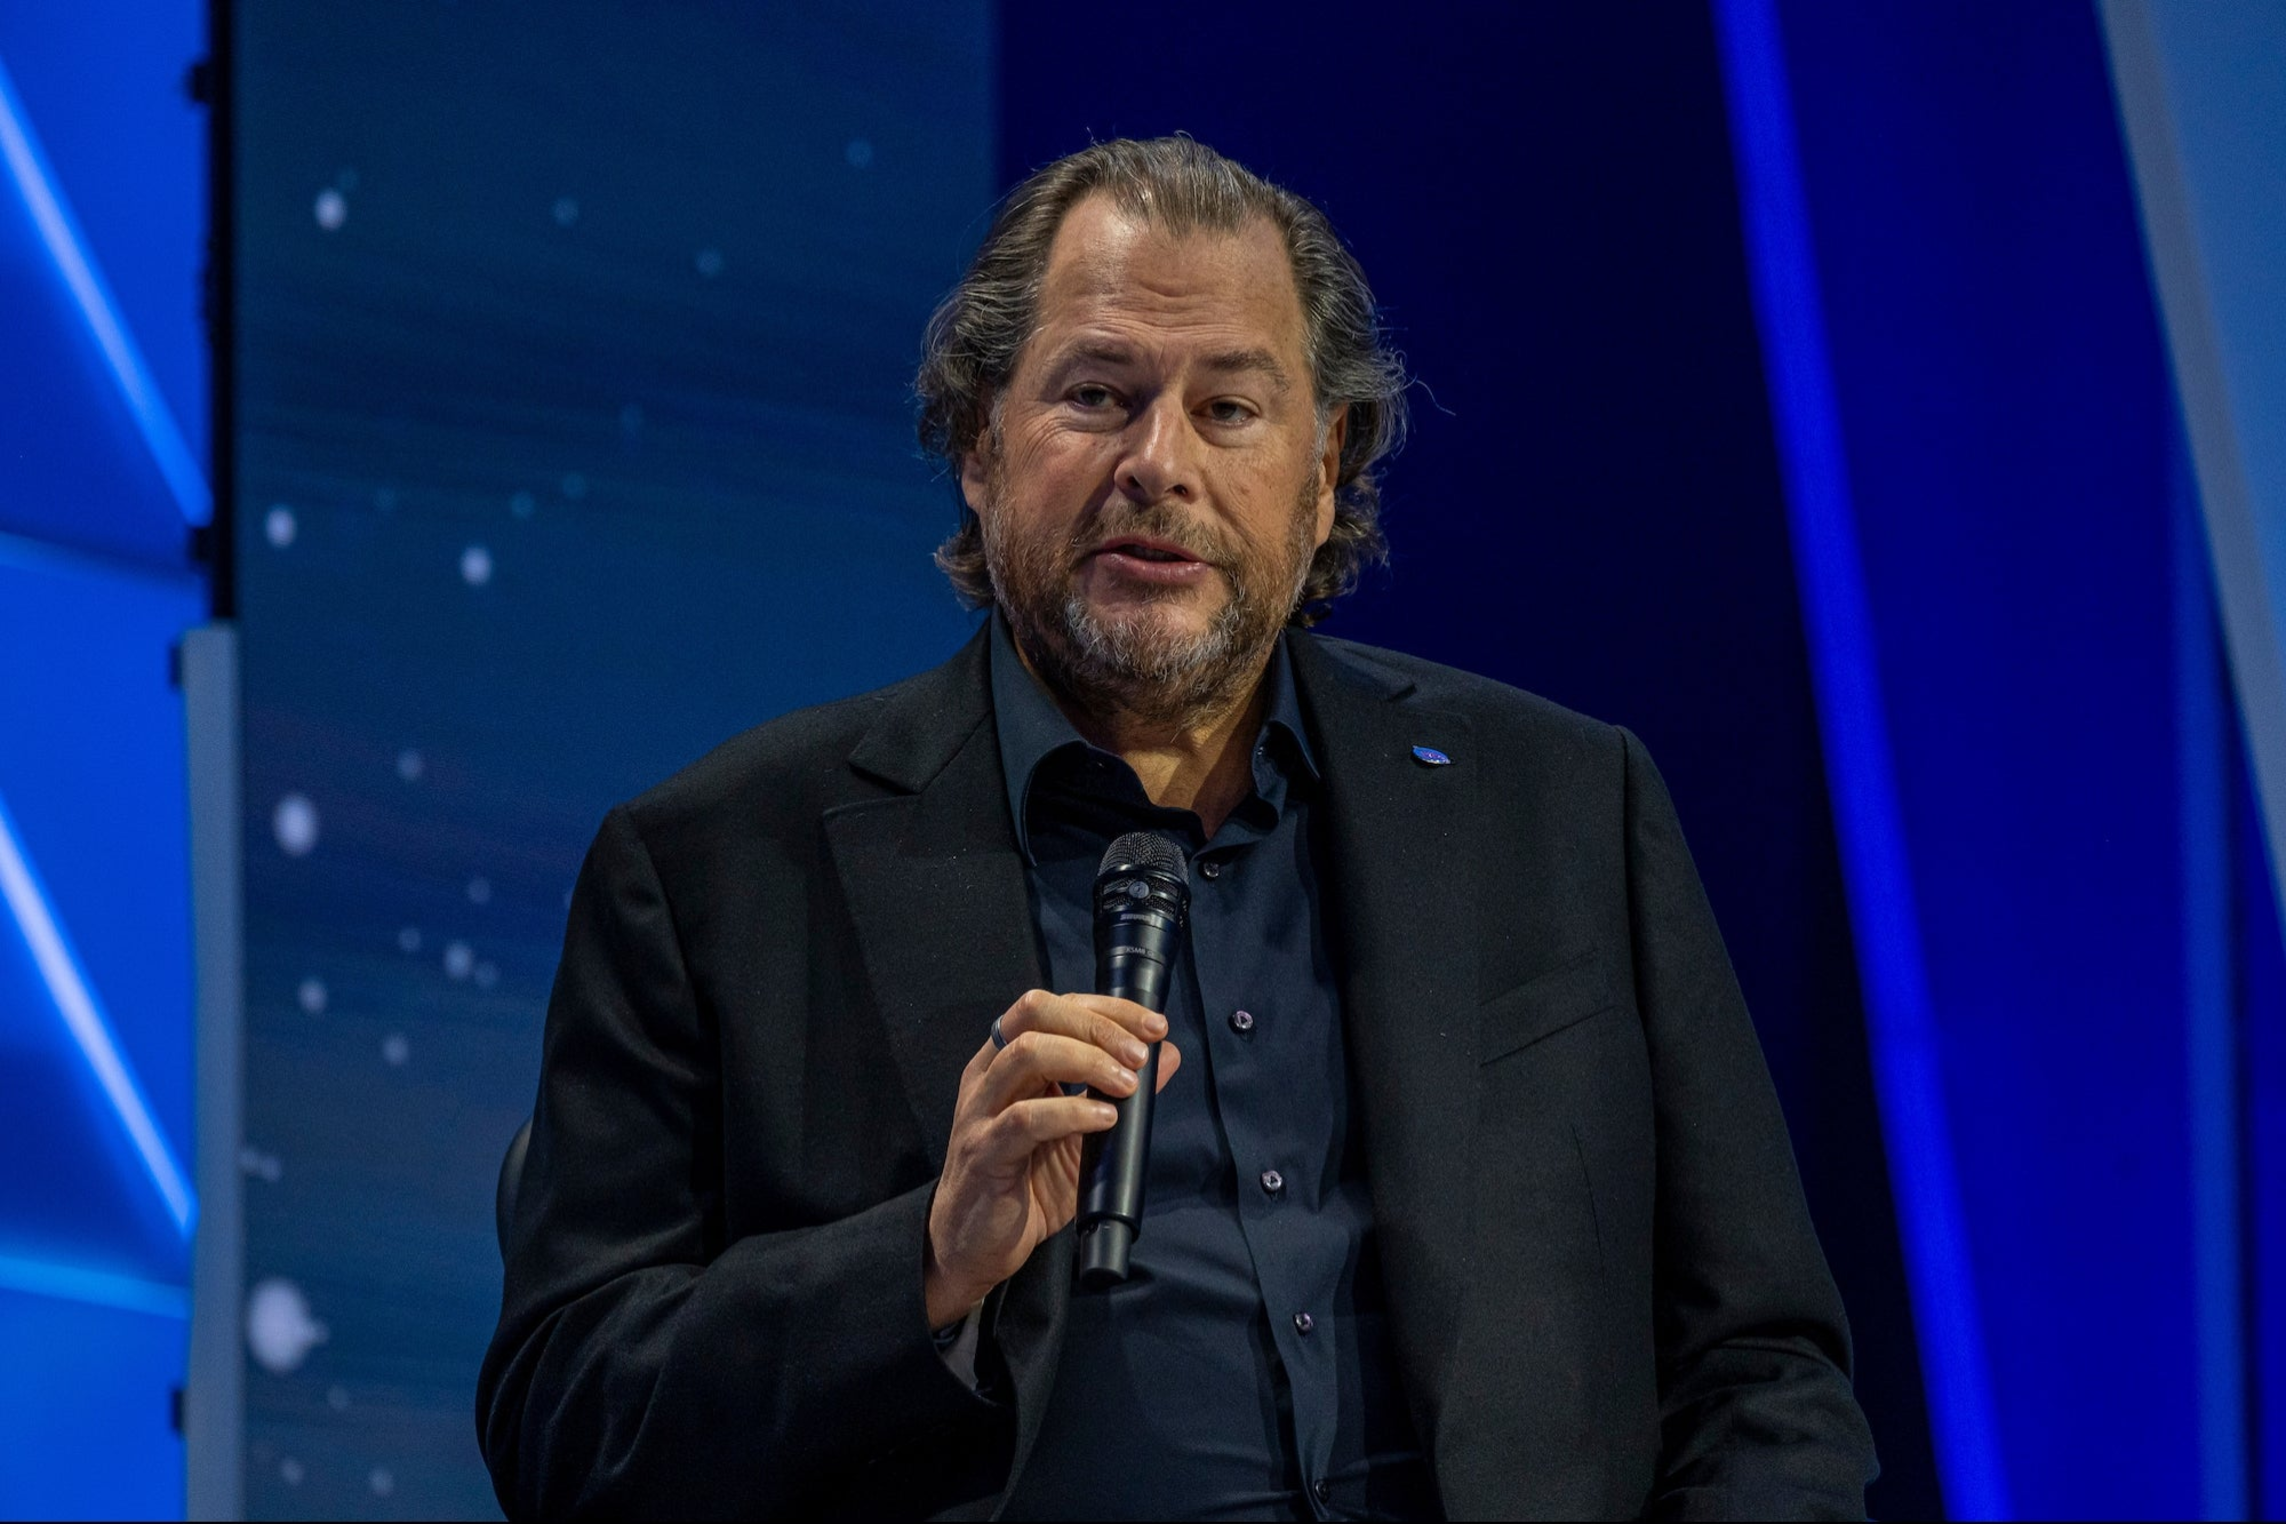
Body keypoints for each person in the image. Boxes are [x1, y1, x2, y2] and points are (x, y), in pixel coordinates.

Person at [477, 136, 1877, 1520]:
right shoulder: (718, 869)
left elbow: (1759, 1367)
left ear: (1323, 470)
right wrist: (926, 1262)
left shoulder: (1561, 804)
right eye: (1096, 395)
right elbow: (567, 1420)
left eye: (1229, 409)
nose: (1158, 463)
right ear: (978, 444)